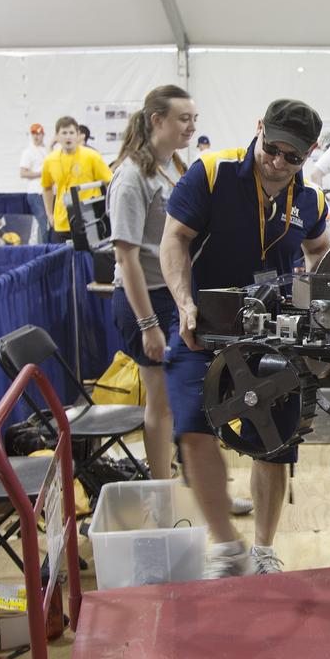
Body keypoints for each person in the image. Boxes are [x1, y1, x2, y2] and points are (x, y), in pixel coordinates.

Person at [161, 98, 330, 578]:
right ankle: (226, 547)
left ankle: (262, 549)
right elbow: (174, 238)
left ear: (309, 153)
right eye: (271, 147)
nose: (277, 162)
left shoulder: (311, 200)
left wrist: (315, 303)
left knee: (274, 440)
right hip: (205, 325)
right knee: (194, 429)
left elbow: (319, 250)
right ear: (258, 128)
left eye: (291, 156)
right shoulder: (211, 173)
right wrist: (184, 303)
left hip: (273, 333)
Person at [109, 85, 194, 483]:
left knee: (185, 399)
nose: (191, 127)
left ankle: (194, 484)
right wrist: (148, 325)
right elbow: (126, 258)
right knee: (161, 403)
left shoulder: (173, 165)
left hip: (173, 296)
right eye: (183, 119)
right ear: (157, 120)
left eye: (194, 119)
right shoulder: (131, 178)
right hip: (146, 302)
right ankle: (162, 497)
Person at [41, 115, 113, 242]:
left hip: (89, 220)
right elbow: (46, 187)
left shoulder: (92, 156)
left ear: (78, 135)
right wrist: (49, 214)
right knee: (61, 254)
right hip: (62, 221)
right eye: (64, 133)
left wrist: (110, 210)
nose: (68, 137)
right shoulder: (50, 160)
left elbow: (110, 182)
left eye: (71, 133)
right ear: (57, 136)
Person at [18, 123, 49, 240]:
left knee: (48, 221)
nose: (36, 136)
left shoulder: (47, 150)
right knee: (43, 220)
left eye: (38, 134)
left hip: (47, 191)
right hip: (36, 192)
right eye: (34, 134)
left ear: (43, 135)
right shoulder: (28, 152)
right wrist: (41, 174)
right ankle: (44, 245)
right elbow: (23, 173)